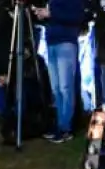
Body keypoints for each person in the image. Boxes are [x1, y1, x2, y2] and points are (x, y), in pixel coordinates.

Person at [34, 0, 85, 142]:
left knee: (65, 87)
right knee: (56, 88)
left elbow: (77, 17)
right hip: (52, 42)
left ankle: (65, 128)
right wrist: (43, 16)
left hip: (66, 42)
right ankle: (59, 124)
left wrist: (51, 13)